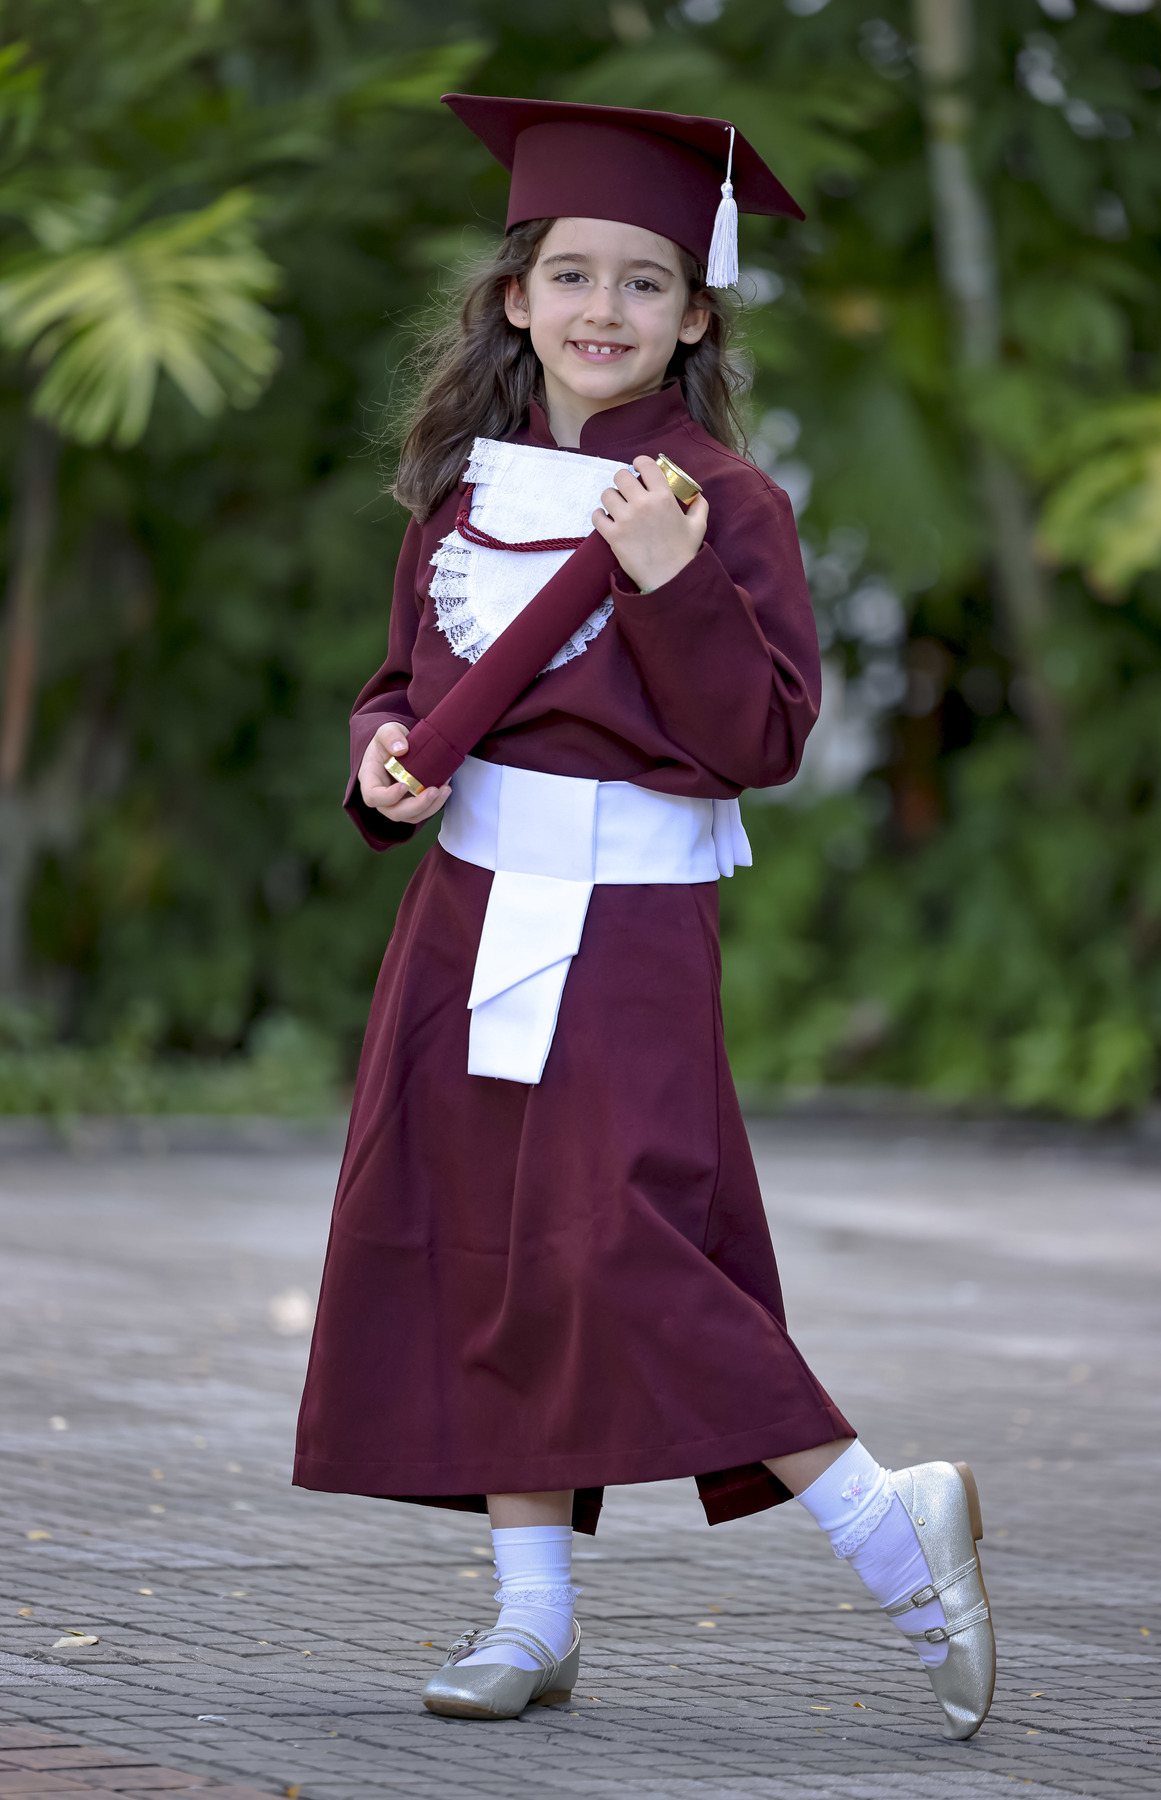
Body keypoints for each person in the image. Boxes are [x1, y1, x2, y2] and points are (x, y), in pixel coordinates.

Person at [293, 94, 995, 1741]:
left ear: (694, 316)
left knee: (621, 1243)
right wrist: (381, 757)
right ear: (514, 297)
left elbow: (762, 738)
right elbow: (401, 684)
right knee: (487, 1244)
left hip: (628, 929)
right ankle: (530, 1614)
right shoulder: (463, 494)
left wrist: (675, 580)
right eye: (571, 274)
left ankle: (887, 1522)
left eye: (644, 280)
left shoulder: (721, 503)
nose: (601, 307)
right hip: (467, 916)